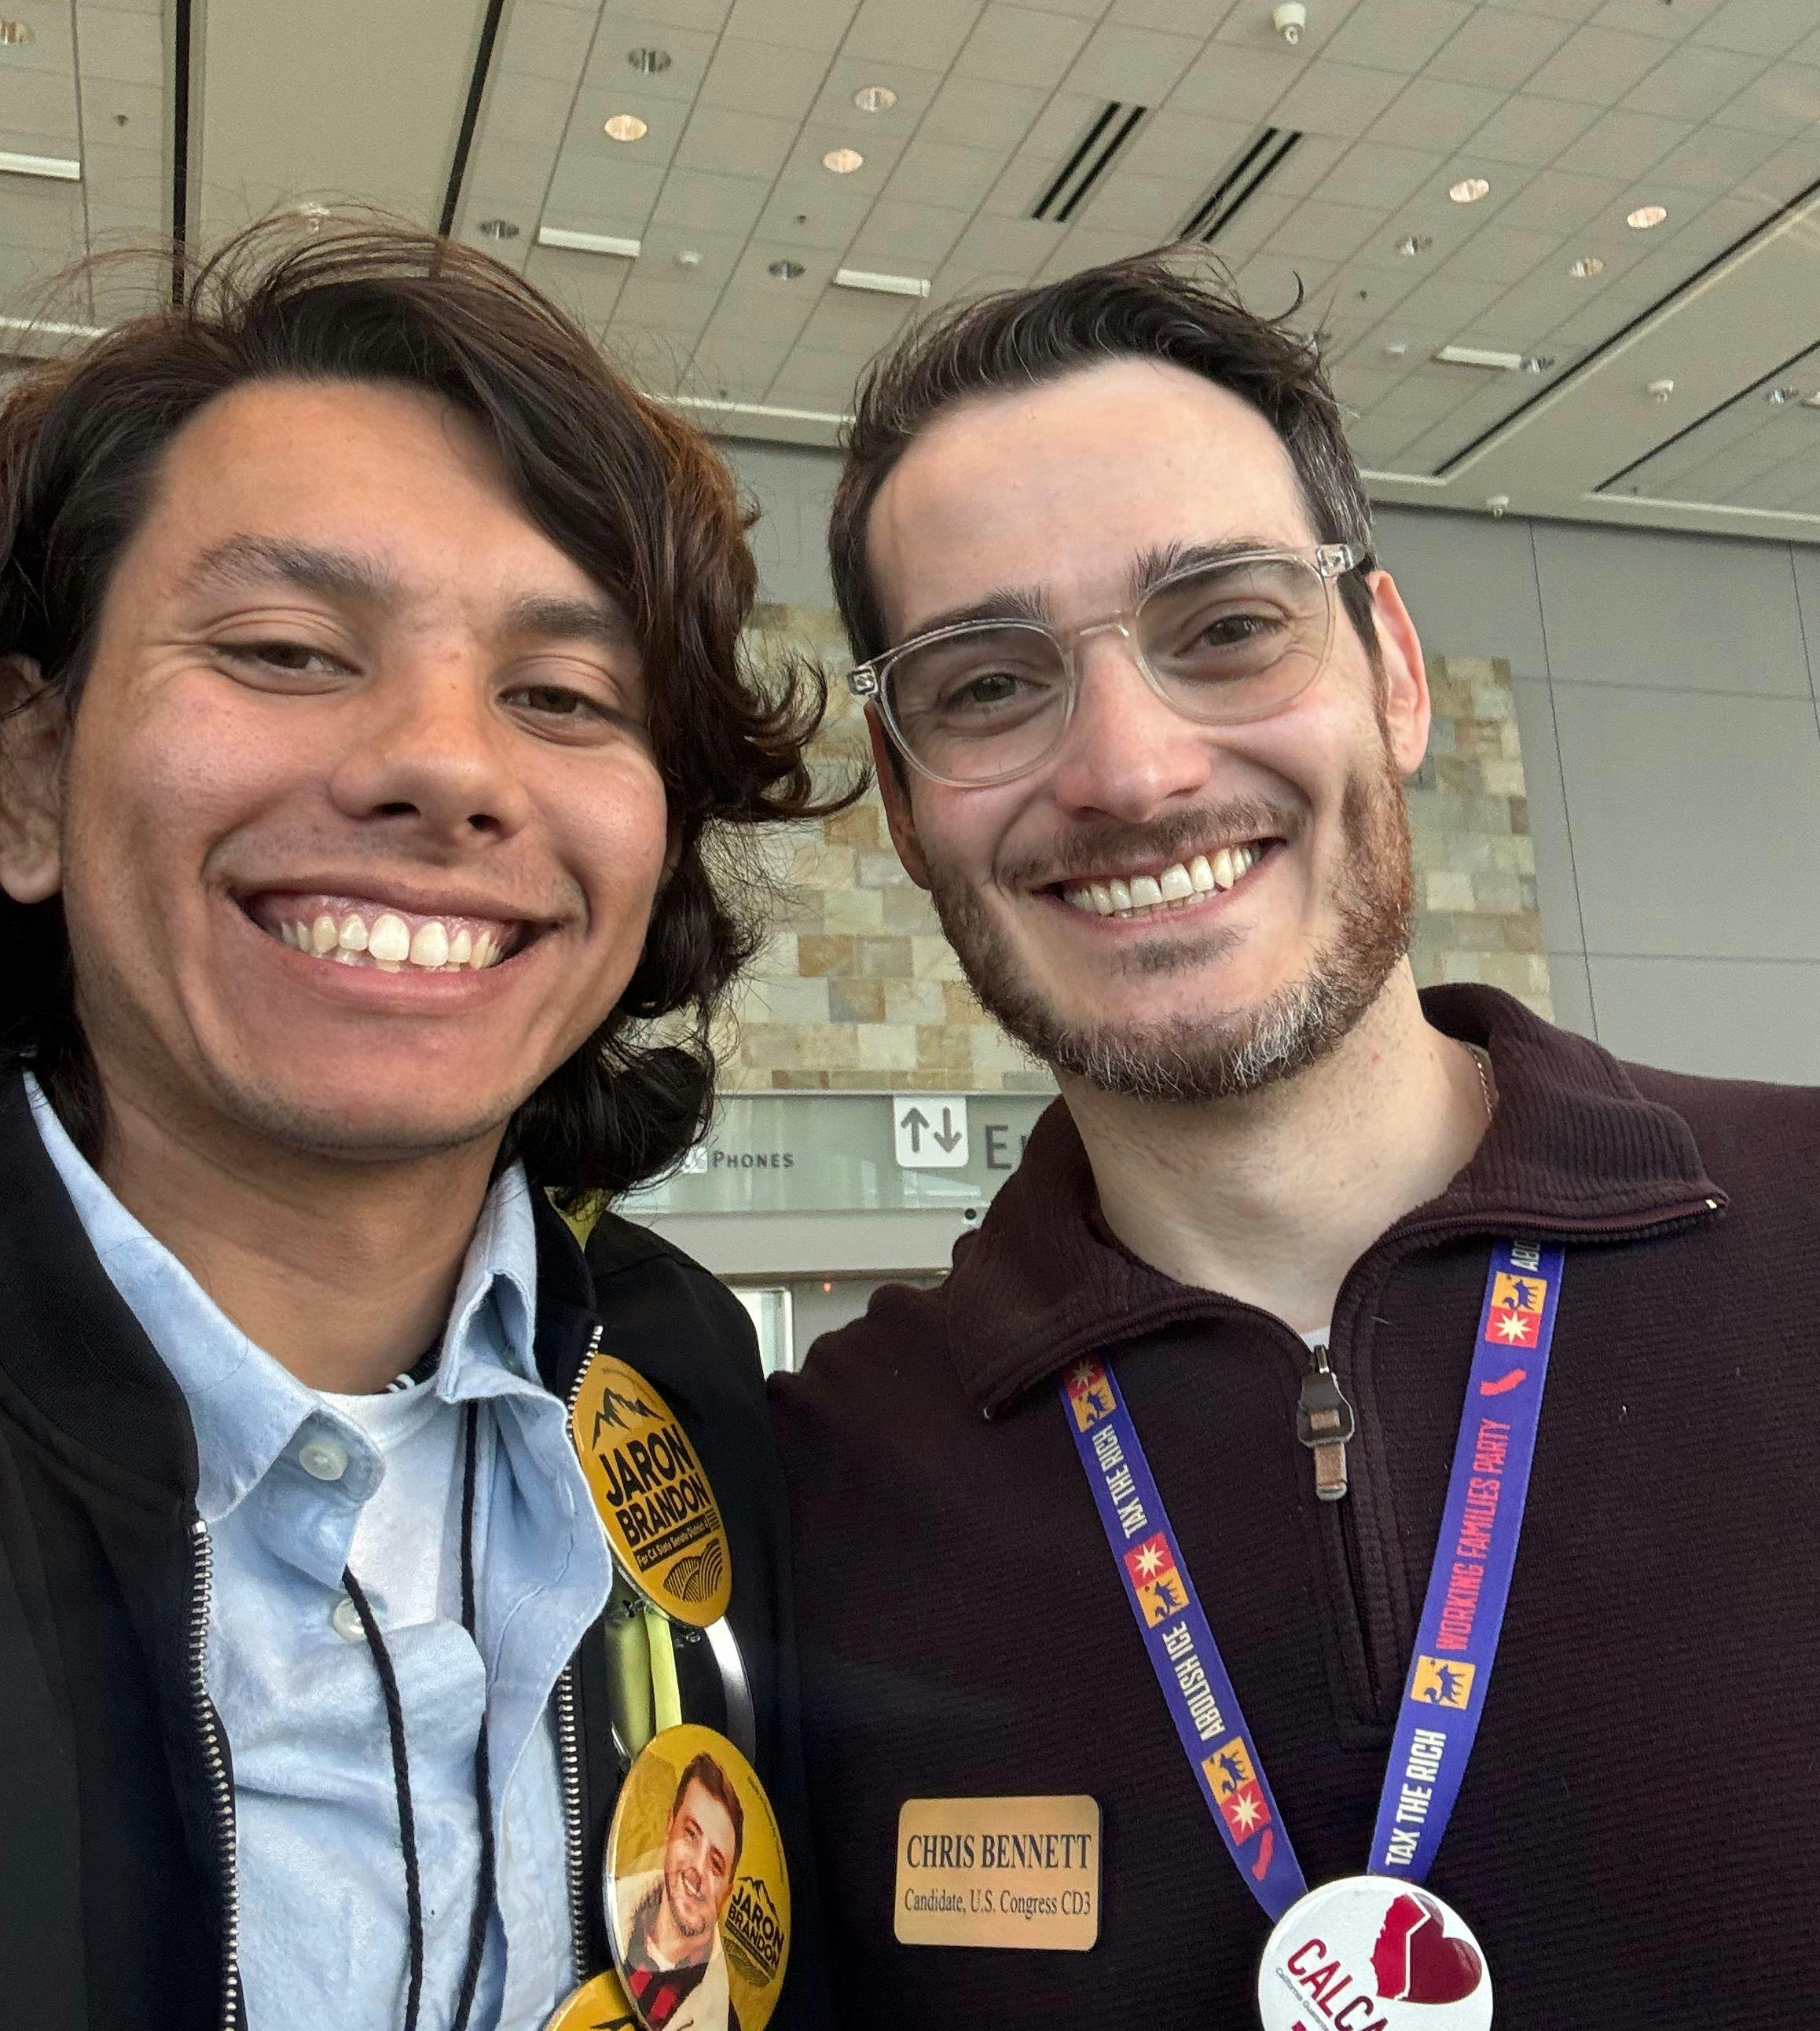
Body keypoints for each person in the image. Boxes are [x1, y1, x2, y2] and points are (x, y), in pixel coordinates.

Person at [770, 252, 1820, 2028]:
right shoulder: (818, 1484)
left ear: (1388, 670)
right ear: (898, 798)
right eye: (984, 683)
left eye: (1224, 627)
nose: (1128, 768)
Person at [0, 216, 833, 2031]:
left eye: (560, 697)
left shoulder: (686, 1375)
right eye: (289, 648)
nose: (448, 766)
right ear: (29, 783)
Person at [613, 1752, 747, 2031]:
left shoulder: (725, 2024)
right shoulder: (595, 1908)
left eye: (716, 1864)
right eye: (691, 1834)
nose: (697, 1869)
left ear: (727, 1895)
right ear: (669, 1826)